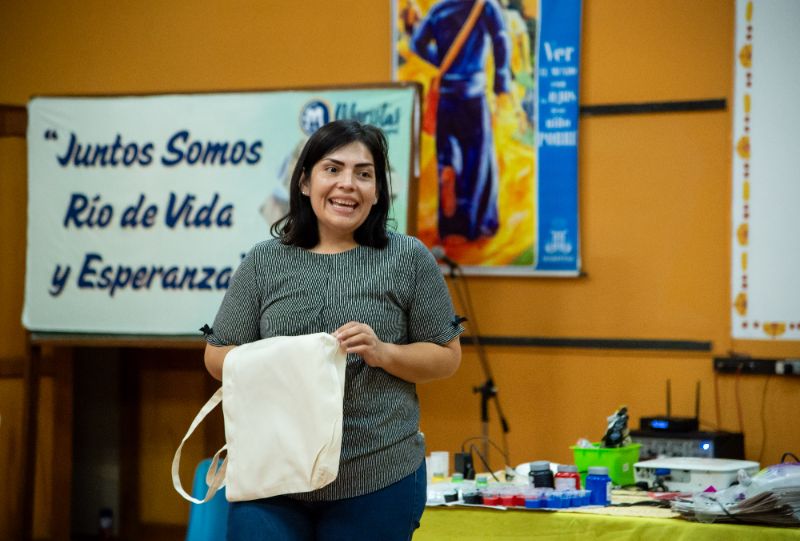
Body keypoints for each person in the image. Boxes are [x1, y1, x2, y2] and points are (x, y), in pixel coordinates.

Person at [203, 119, 464, 541]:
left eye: (364, 174)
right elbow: (217, 356)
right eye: (333, 169)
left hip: (378, 476)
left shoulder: (409, 258)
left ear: (378, 191)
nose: (348, 185)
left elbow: (447, 357)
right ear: (305, 182)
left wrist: (384, 352)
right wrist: (280, 358)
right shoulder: (263, 261)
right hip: (272, 476)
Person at [411, 0, 512, 242]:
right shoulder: (484, 5)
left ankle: (449, 224)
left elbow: (417, 43)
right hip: (473, 94)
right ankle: (473, 225)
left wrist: (444, 61)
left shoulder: (439, 9)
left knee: (448, 154)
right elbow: (501, 40)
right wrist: (501, 84)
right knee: (477, 158)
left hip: (446, 95)